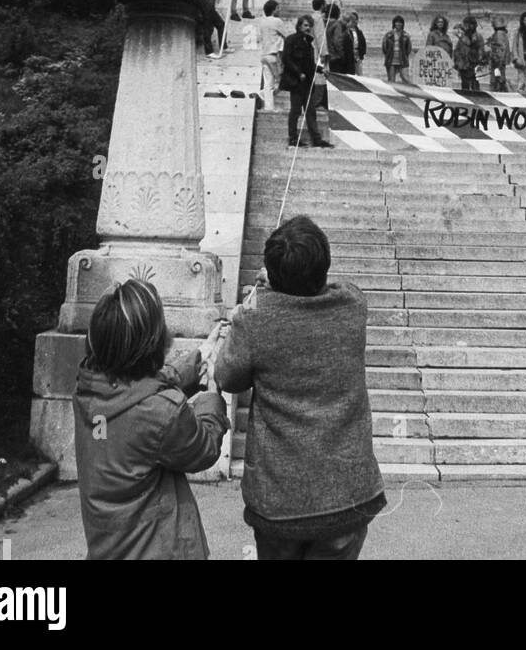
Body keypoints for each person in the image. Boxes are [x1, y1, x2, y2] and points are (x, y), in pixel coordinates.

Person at [215, 216, 386, 560]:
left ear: (272, 273)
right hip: (347, 494)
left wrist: (258, 297)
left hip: (279, 500)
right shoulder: (353, 305)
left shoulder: (256, 318)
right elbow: (331, 285)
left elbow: (227, 377)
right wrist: (281, 279)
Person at [73, 279, 229, 561]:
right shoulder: (161, 412)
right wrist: (213, 393)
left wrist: (198, 358)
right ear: (153, 342)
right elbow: (203, 448)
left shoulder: (87, 391)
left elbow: (137, 387)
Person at [281, 15, 332, 148]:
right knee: (295, 111)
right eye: (305, 25)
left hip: (308, 83)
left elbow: (310, 64)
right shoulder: (291, 39)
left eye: (309, 25)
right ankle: (292, 138)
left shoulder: (309, 42)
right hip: (296, 82)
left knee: (310, 111)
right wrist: (298, 73)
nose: (308, 28)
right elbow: (286, 59)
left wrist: (321, 70)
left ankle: (316, 139)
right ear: (299, 26)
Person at [257, 0, 287, 112]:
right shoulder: (277, 21)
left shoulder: (262, 22)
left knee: (268, 82)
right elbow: (286, 35)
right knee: (280, 81)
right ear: (274, 10)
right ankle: (264, 97)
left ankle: (267, 104)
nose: (279, 10)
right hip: (273, 56)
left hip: (264, 55)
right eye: (278, 8)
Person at [453, 15, 486, 92]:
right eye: (466, 24)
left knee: (473, 82)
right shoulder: (462, 36)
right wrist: (457, 63)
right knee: (464, 83)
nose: (468, 26)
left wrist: (478, 60)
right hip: (463, 65)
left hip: (473, 63)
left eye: (470, 24)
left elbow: (481, 50)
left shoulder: (478, 36)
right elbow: (458, 50)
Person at [381, 15, 412, 82]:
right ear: (394, 23)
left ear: (403, 24)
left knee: (406, 79)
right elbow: (384, 47)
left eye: (400, 22)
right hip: (391, 60)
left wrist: (404, 55)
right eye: (397, 22)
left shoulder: (406, 35)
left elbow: (408, 48)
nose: (398, 24)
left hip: (403, 60)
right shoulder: (388, 35)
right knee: (391, 80)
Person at [325, 3, 353, 74]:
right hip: (336, 57)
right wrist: (342, 55)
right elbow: (337, 41)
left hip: (329, 56)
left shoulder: (325, 24)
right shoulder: (337, 25)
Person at [487, 15, 511, 90]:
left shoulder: (499, 34)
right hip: (501, 61)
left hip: (497, 62)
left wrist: (496, 61)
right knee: (501, 76)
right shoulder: (503, 34)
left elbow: (499, 49)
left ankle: (497, 91)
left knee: (496, 79)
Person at [344, 11, 367, 76]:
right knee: (350, 74)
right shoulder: (347, 31)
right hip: (349, 56)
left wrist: (362, 55)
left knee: (360, 74)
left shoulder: (359, 32)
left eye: (356, 20)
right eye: (353, 20)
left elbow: (363, 43)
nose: (355, 21)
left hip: (358, 56)